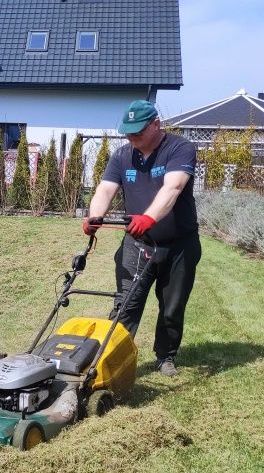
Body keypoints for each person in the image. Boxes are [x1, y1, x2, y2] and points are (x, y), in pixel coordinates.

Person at [82, 99, 200, 377]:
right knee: (126, 303)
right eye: (128, 132)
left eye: (138, 131)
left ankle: (165, 356)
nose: (132, 137)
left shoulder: (180, 148)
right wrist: (95, 216)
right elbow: (105, 189)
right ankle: (112, 357)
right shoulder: (122, 156)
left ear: (156, 125)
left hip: (179, 244)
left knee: (172, 306)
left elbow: (173, 188)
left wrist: (148, 218)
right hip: (138, 244)